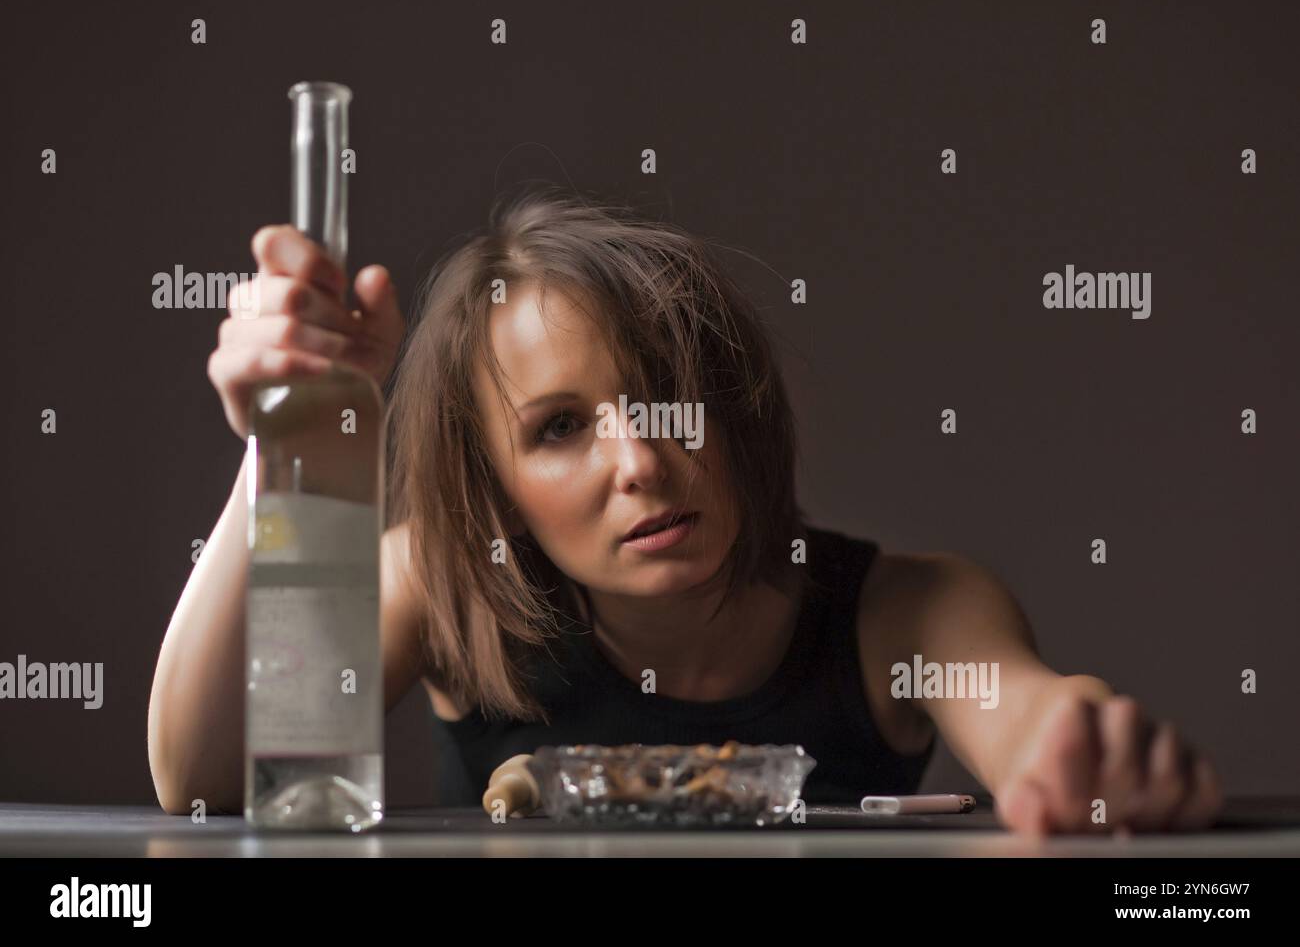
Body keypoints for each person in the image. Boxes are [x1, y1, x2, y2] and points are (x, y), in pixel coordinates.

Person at [150, 184, 1223, 835]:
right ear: (497, 488)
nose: (642, 465)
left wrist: (1083, 752)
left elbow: (1032, 719)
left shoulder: (909, 611)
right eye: (559, 429)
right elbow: (201, 781)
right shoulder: (435, 581)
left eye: (668, 402)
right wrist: (286, 449)